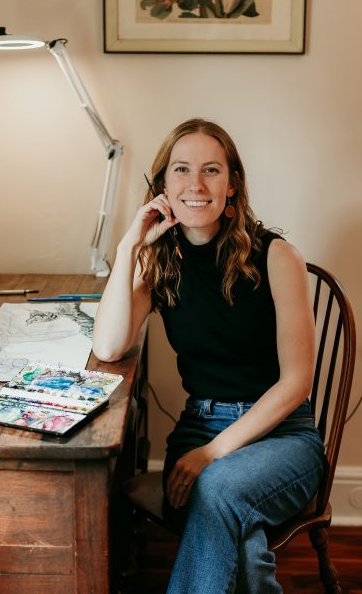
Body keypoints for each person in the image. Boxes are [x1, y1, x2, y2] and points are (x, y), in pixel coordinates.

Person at [92, 118, 325, 593]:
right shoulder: (163, 261)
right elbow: (109, 345)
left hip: (283, 438)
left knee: (218, 489)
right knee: (243, 542)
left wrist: (212, 454)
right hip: (199, 424)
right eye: (181, 170)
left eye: (212, 171)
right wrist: (129, 243)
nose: (195, 184)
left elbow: (296, 383)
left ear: (232, 185)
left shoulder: (277, 257)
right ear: (163, 186)